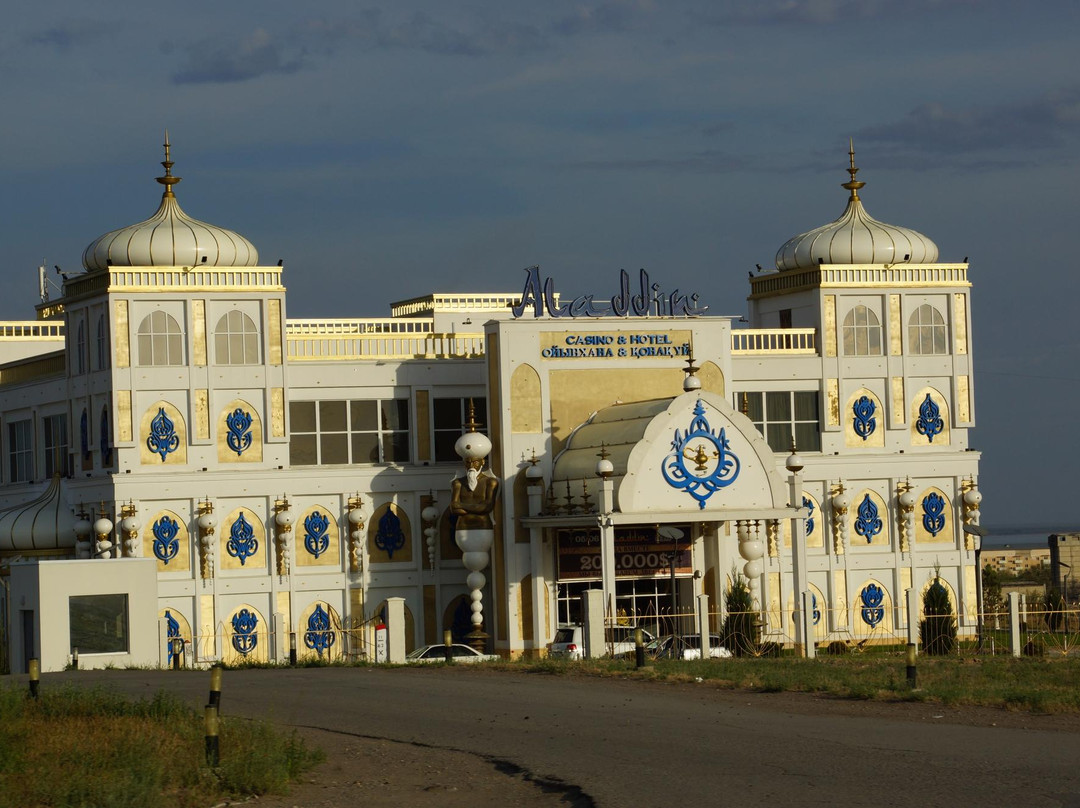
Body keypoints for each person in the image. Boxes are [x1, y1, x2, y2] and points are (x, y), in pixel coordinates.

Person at [450, 457, 499, 530]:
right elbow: (454, 508)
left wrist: (460, 505)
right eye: (468, 462)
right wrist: (478, 507)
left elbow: (487, 507)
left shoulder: (490, 482)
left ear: (482, 462)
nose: (471, 466)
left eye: (475, 462)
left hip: (484, 526)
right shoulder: (457, 483)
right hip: (462, 527)